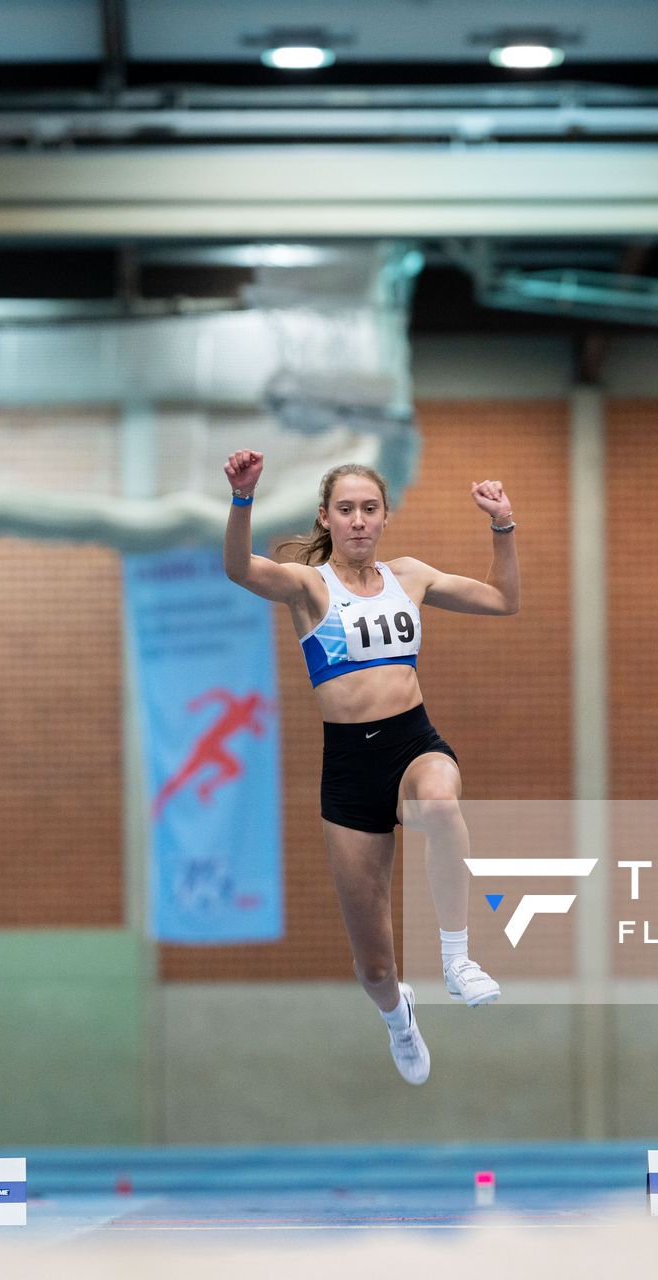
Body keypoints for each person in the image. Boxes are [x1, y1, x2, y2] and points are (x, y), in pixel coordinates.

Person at [221, 453, 519, 1084]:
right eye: (347, 510)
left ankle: (458, 958)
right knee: (375, 967)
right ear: (326, 518)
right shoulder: (309, 588)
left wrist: (502, 527)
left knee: (441, 805)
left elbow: (501, 598)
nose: (359, 521)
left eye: (370, 509)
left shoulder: (408, 576)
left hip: (413, 743)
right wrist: (242, 499)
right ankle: (397, 1018)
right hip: (350, 767)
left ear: (384, 517)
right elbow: (240, 568)